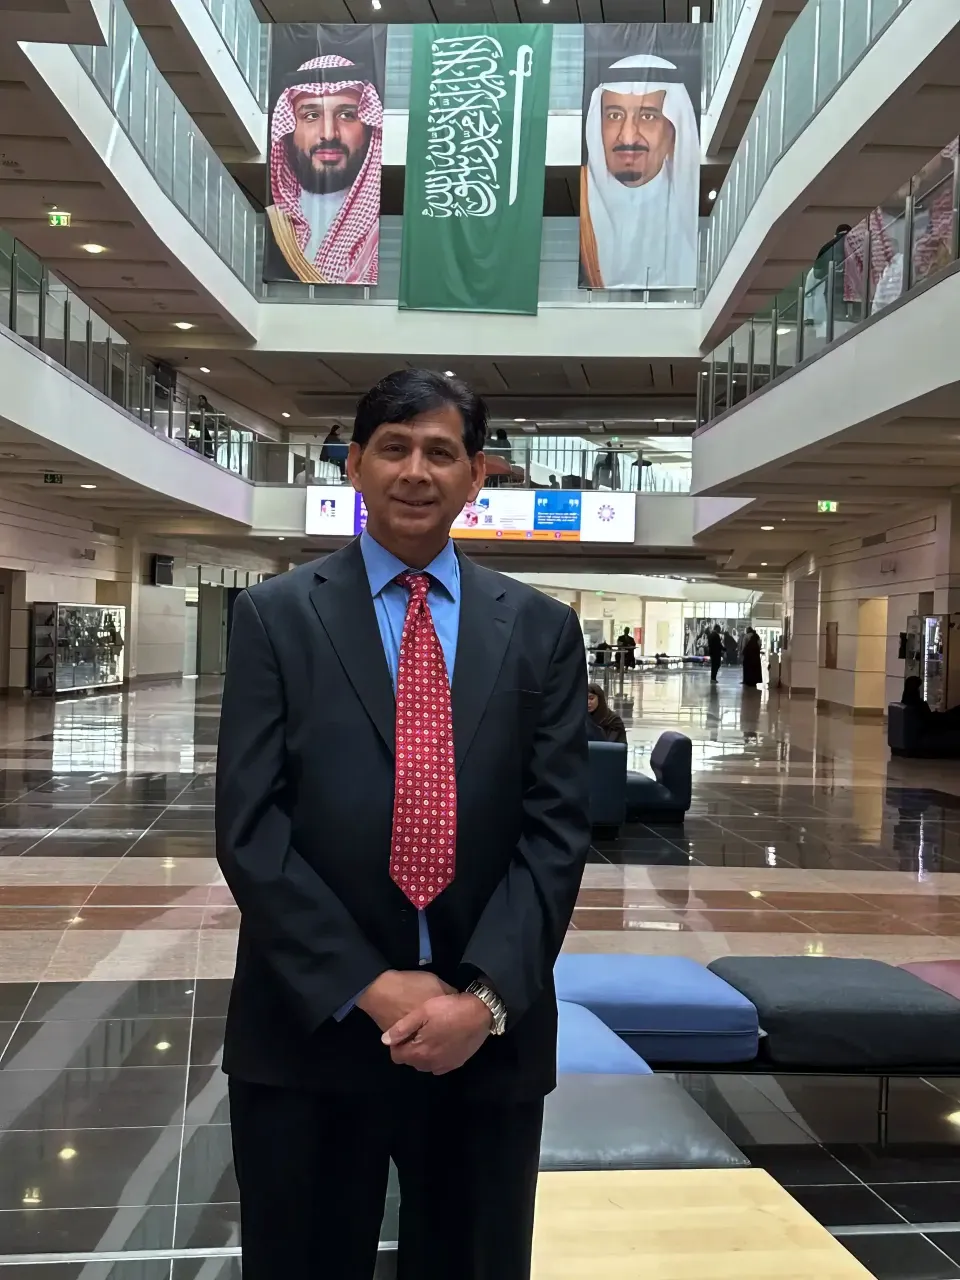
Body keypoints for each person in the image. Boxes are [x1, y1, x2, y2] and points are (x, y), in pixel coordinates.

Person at [216, 367, 590, 1280]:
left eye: (440, 451)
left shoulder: (541, 629)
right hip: (311, 1028)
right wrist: (370, 984)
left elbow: (555, 832)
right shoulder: (275, 617)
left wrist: (482, 1002)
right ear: (354, 465)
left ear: (477, 476)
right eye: (392, 448)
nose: (415, 472)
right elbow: (251, 828)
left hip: (482, 1039)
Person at [580, 54, 699, 290]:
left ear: (673, 129)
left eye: (648, 116)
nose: (628, 137)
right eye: (614, 116)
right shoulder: (583, 197)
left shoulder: (685, 202)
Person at [266, 55, 383, 285]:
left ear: (368, 127)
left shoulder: (382, 233)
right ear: (289, 128)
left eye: (347, 115)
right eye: (311, 116)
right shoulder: (275, 226)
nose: (329, 134)